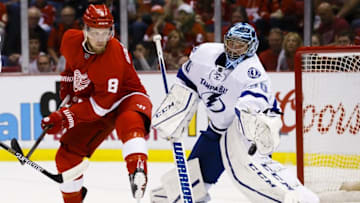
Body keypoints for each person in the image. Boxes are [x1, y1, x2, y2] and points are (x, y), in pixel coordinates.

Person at [151, 22, 319, 203]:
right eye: (231, 42)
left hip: (243, 131)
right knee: (189, 181)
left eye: (241, 45)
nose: (234, 48)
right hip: (217, 128)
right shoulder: (205, 55)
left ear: (251, 47)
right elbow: (187, 81)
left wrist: (252, 134)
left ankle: (299, 199)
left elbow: (253, 107)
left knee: (250, 175)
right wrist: (176, 109)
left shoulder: (253, 73)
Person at [40, 4, 152, 203]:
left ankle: (137, 169)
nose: (101, 39)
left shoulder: (112, 56)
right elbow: (71, 63)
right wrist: (67, 83)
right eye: (96, 33)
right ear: (85, 30)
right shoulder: (70, 39)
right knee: (66, 156)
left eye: (105, 33)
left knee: (129, 121)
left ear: (112, 31)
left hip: (126, 97)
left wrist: (64, 117)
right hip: (96, 101)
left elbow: (101, 106)